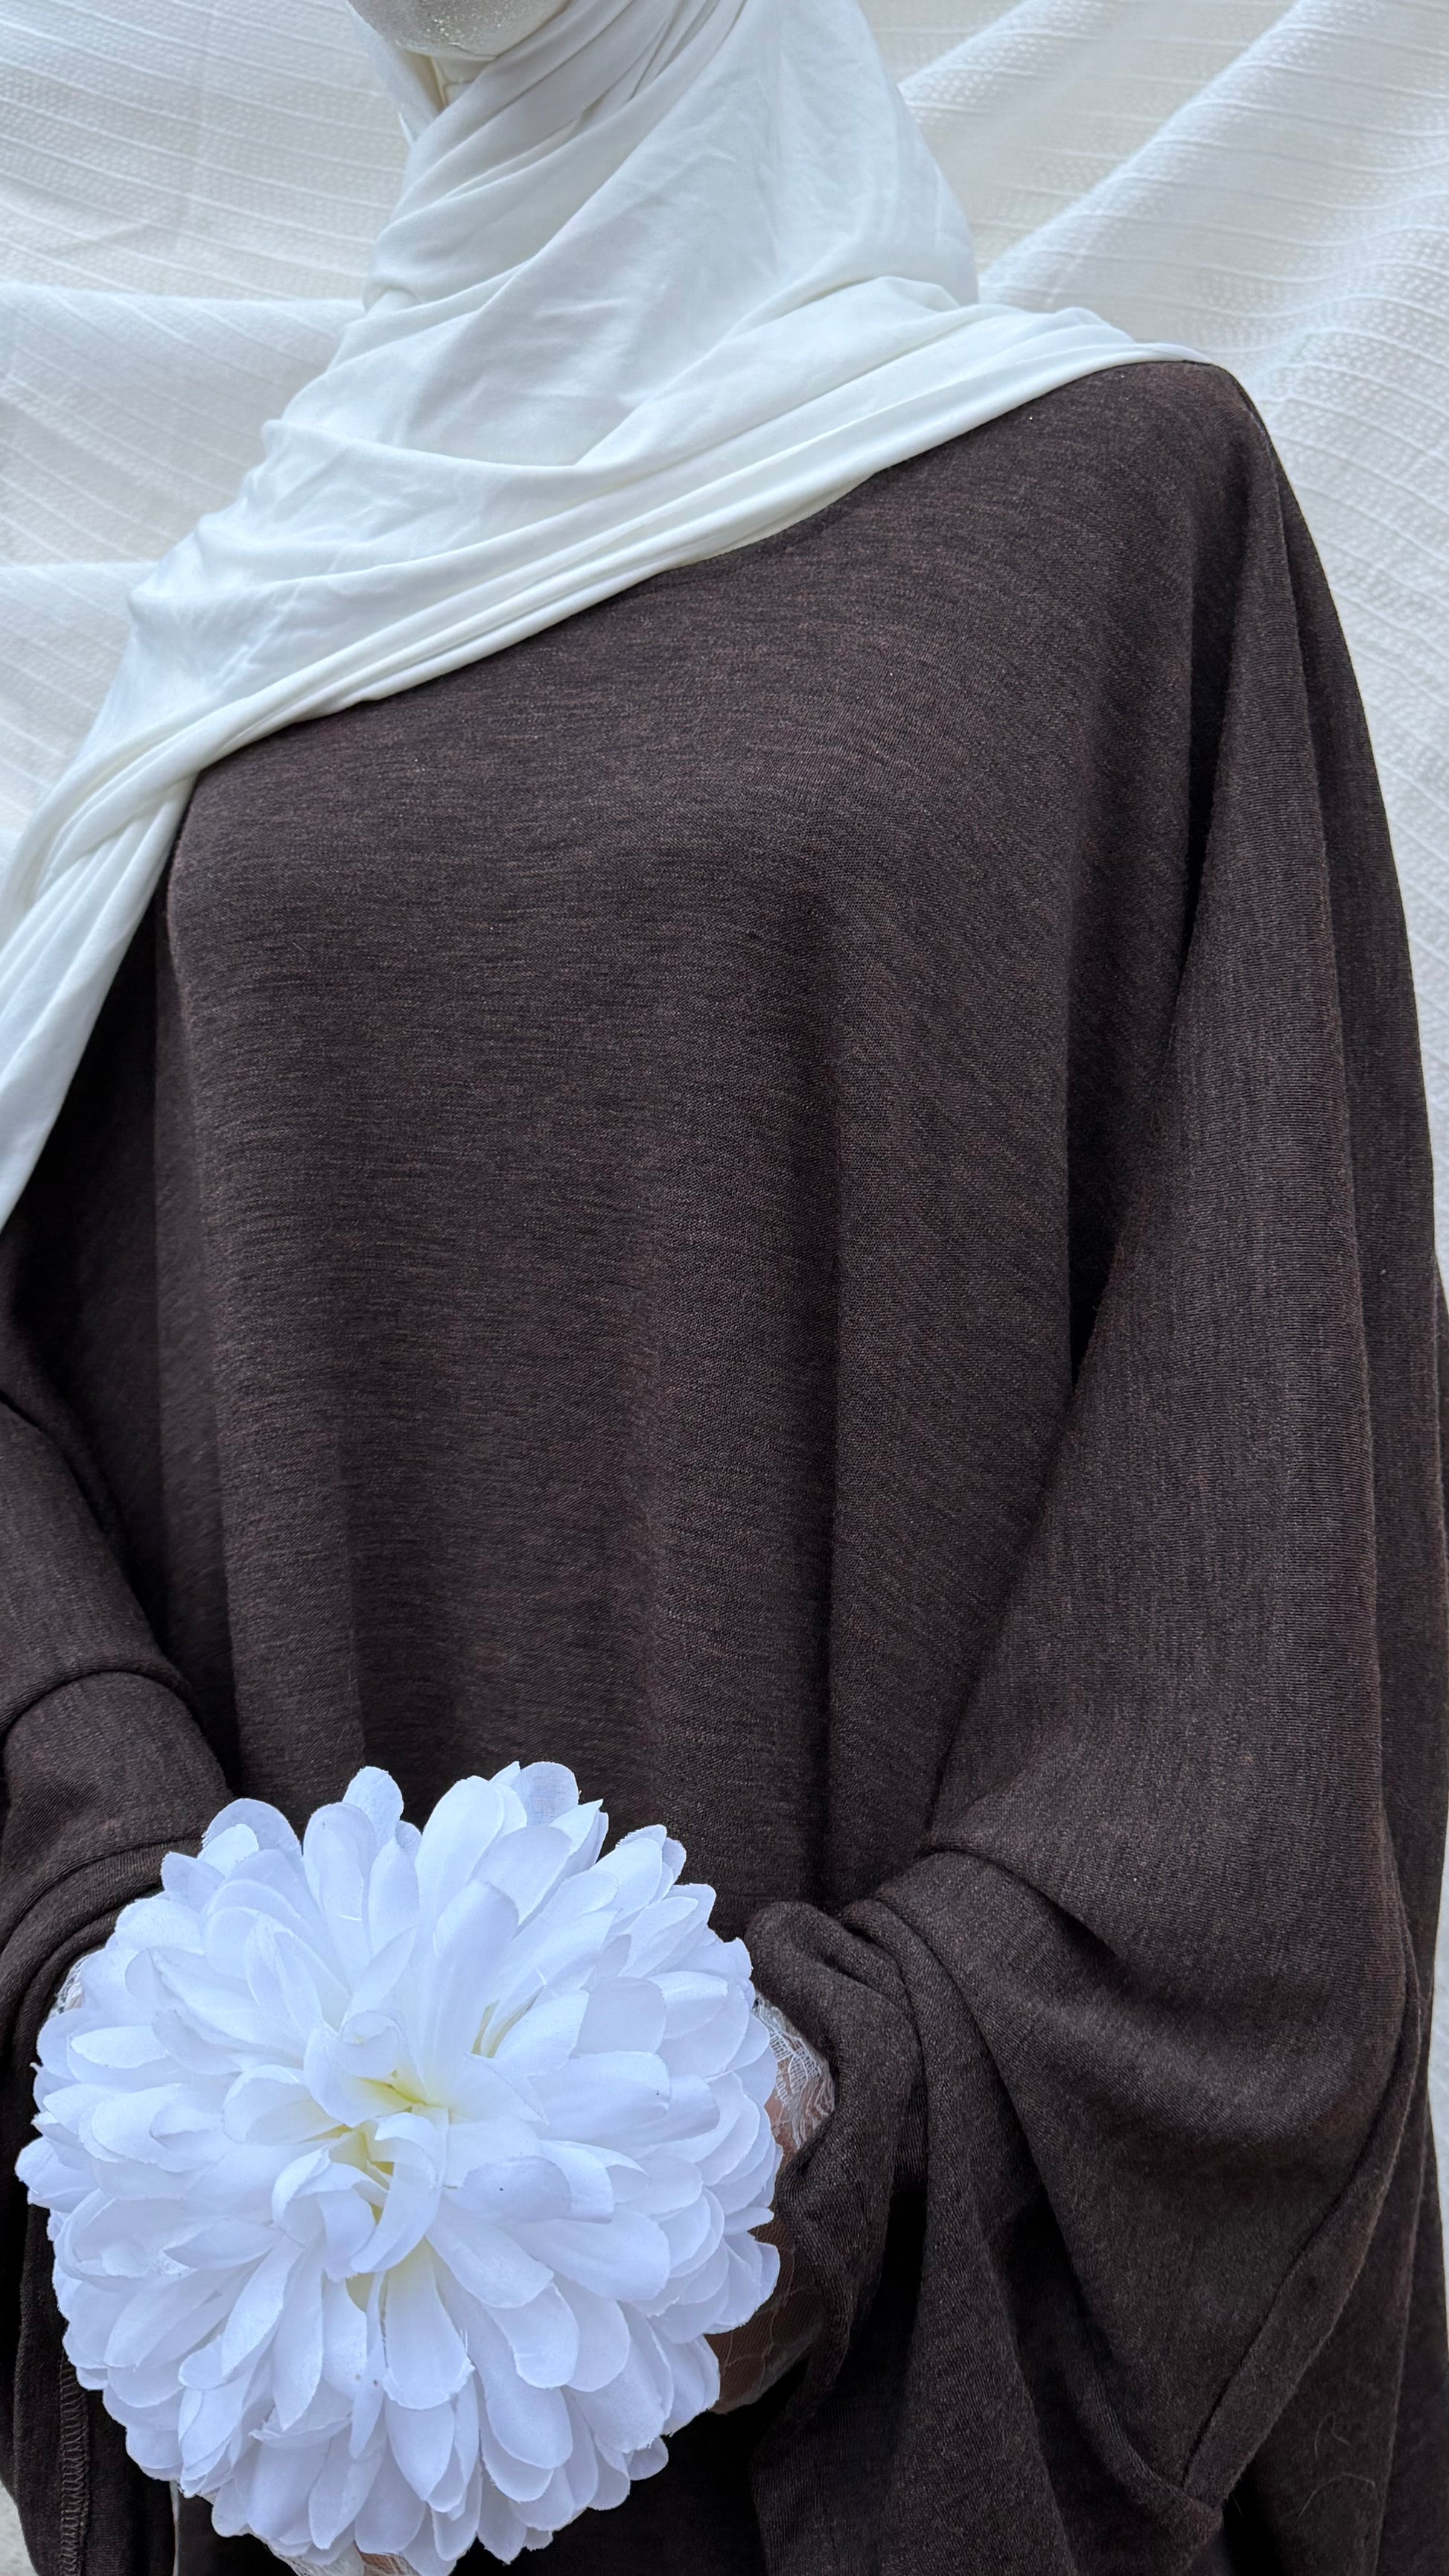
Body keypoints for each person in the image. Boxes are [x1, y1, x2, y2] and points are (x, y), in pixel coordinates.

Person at [0, 0, 1445, 2569]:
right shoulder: (263, 621)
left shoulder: (1121, 513)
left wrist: (816, 2105)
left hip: (901, 2349)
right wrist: (135, 1955)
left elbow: (1263, 1458)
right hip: (335, 2390)